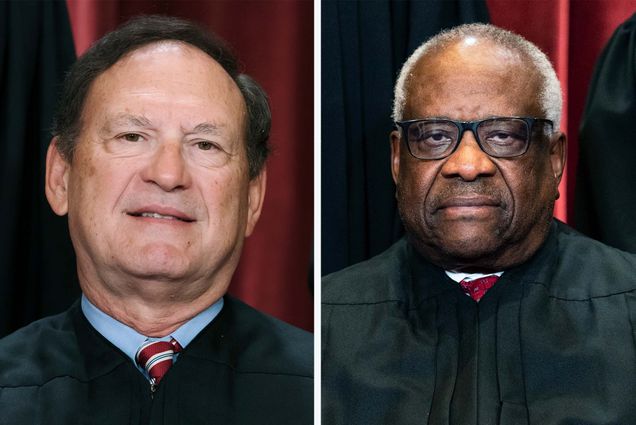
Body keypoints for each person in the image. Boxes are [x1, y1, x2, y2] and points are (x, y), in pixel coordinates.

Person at [0, 15, 312, 424]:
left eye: (205, 144)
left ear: (253, 197)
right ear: (61, 176)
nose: (168, 174)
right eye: (132, 136)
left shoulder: (322, 391)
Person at [322, 23, 636, 425]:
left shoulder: (627, 314)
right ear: (398, 160)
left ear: (554, 160)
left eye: (503, 136)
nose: (467, 165)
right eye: (434, 136)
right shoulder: (326, 327)